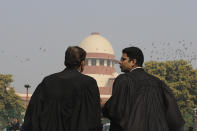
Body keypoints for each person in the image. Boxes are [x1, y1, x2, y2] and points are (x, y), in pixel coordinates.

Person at [102, 47, 185, 131]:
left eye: (123, 59)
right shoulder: (158, 83)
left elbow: (116, 110)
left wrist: (104, 107)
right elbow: (173, 116)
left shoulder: (124, 80)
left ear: (133, 62)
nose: (120, 62)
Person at [22, 46, 102, 131]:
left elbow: (33, 116)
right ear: (82, 63)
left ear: (65, 61)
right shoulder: (89, 84)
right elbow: (94, 118)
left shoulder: (48, 82)